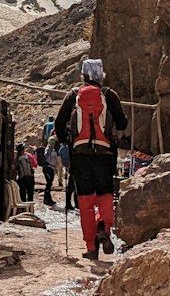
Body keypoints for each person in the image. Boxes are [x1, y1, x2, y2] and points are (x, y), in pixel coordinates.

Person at [54, 58, 127, 260]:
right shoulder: (109, 95)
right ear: (101, 75)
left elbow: (59, 123)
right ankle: (104, 225)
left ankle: (91, 247)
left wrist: (65, 140)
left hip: (80, 155)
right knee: (104, 195)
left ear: (84, 76)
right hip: (105, 155)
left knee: (85, 201)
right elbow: (122, 121)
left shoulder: (73, 95)